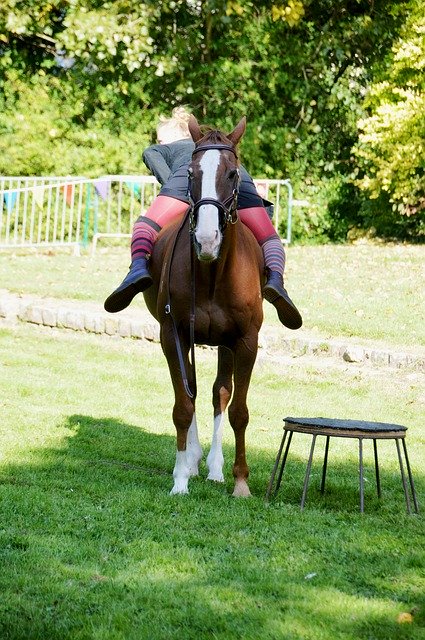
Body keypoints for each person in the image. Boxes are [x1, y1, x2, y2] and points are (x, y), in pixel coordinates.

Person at [104, 107, 302, 330]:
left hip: (190, 174)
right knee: (269, 237)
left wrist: (174, 186)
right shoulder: (224, 145)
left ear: (181, 134)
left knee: (145, 225)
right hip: (236, 175)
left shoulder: (178, 146)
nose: (160, 142)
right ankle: (276, 280)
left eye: (161, 138)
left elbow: (150, 153)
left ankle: (137, 269)